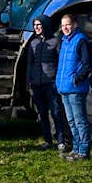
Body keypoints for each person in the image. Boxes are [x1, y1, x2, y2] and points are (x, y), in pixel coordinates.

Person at [26, 17, 67, 152]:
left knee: (56, 112)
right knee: (42, 114)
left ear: (45, 25)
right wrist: (29, 80)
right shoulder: (33, 43)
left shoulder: (55, 41)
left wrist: (57, 80)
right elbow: (30, 64)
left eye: (39, 25)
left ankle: (61, 140)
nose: (36, 27)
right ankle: (47, 140)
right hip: (36, 84)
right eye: (35, 25)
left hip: (50, 83)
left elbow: (60, 62)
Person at [56, 13, 92, 161]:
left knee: (80, 120)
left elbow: (87, 64)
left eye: (68, 24)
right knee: (71, 121)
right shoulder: (65, 41)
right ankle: (76, 149)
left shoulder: (81, 40)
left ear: (75, 24)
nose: (65, 28)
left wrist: (76, 78)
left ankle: (84, 151)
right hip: (64, 87)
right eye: (63, 25)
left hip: (76, 88)